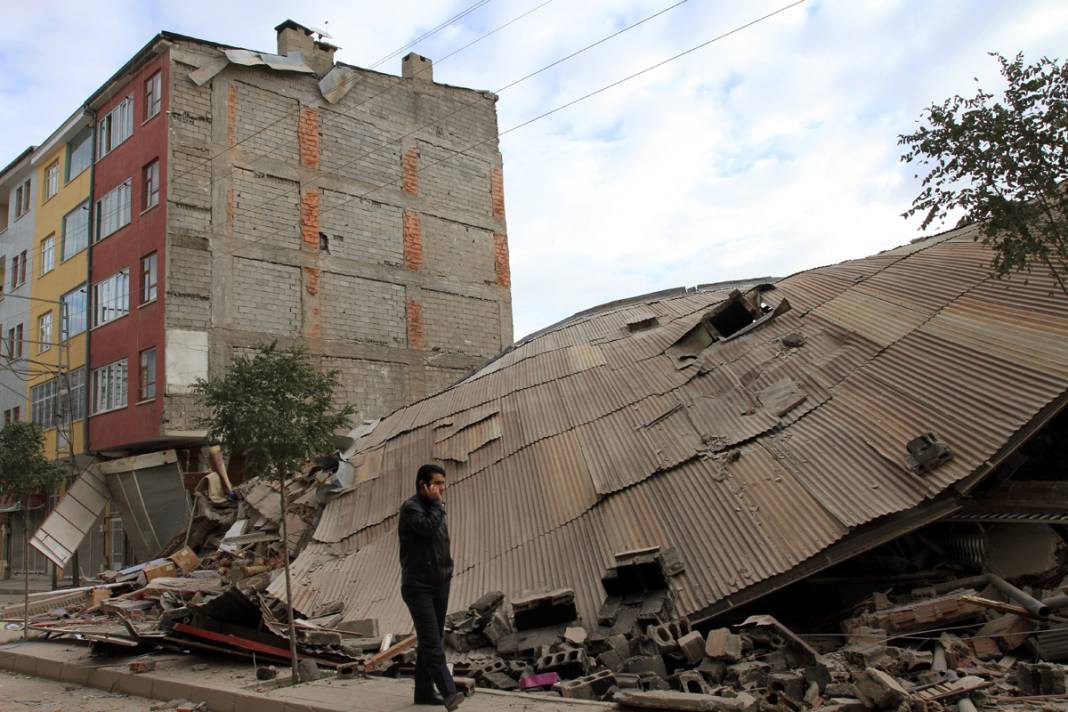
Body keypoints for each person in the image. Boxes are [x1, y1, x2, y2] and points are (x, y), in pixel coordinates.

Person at [399, 463, 464, 709]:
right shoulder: (411, 508)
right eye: (437, 483)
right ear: (422, 485)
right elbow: (425, 529)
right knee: (432, 642)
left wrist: (448, 570)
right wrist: (438, 505)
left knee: (432, 638)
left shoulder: (436, 509)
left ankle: (424, 692)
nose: (442, 488)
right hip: (418, 587)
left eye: (443, 483)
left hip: (440, 584)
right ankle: (449, 693)